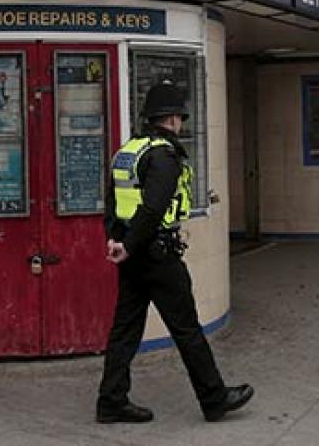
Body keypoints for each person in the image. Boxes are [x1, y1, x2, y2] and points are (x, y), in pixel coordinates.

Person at [97, 81, 253, 424]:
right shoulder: (163, 155)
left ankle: (111, 401)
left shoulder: (129, 150)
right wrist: (131, 243)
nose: (181, 123)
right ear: (172, 118)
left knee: (124, 330)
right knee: (187, 329)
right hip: (157, 255)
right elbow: (152, 209)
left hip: (131, 255)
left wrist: (116, 240)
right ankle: (214, 399)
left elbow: (111, 200)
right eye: (180, 117)